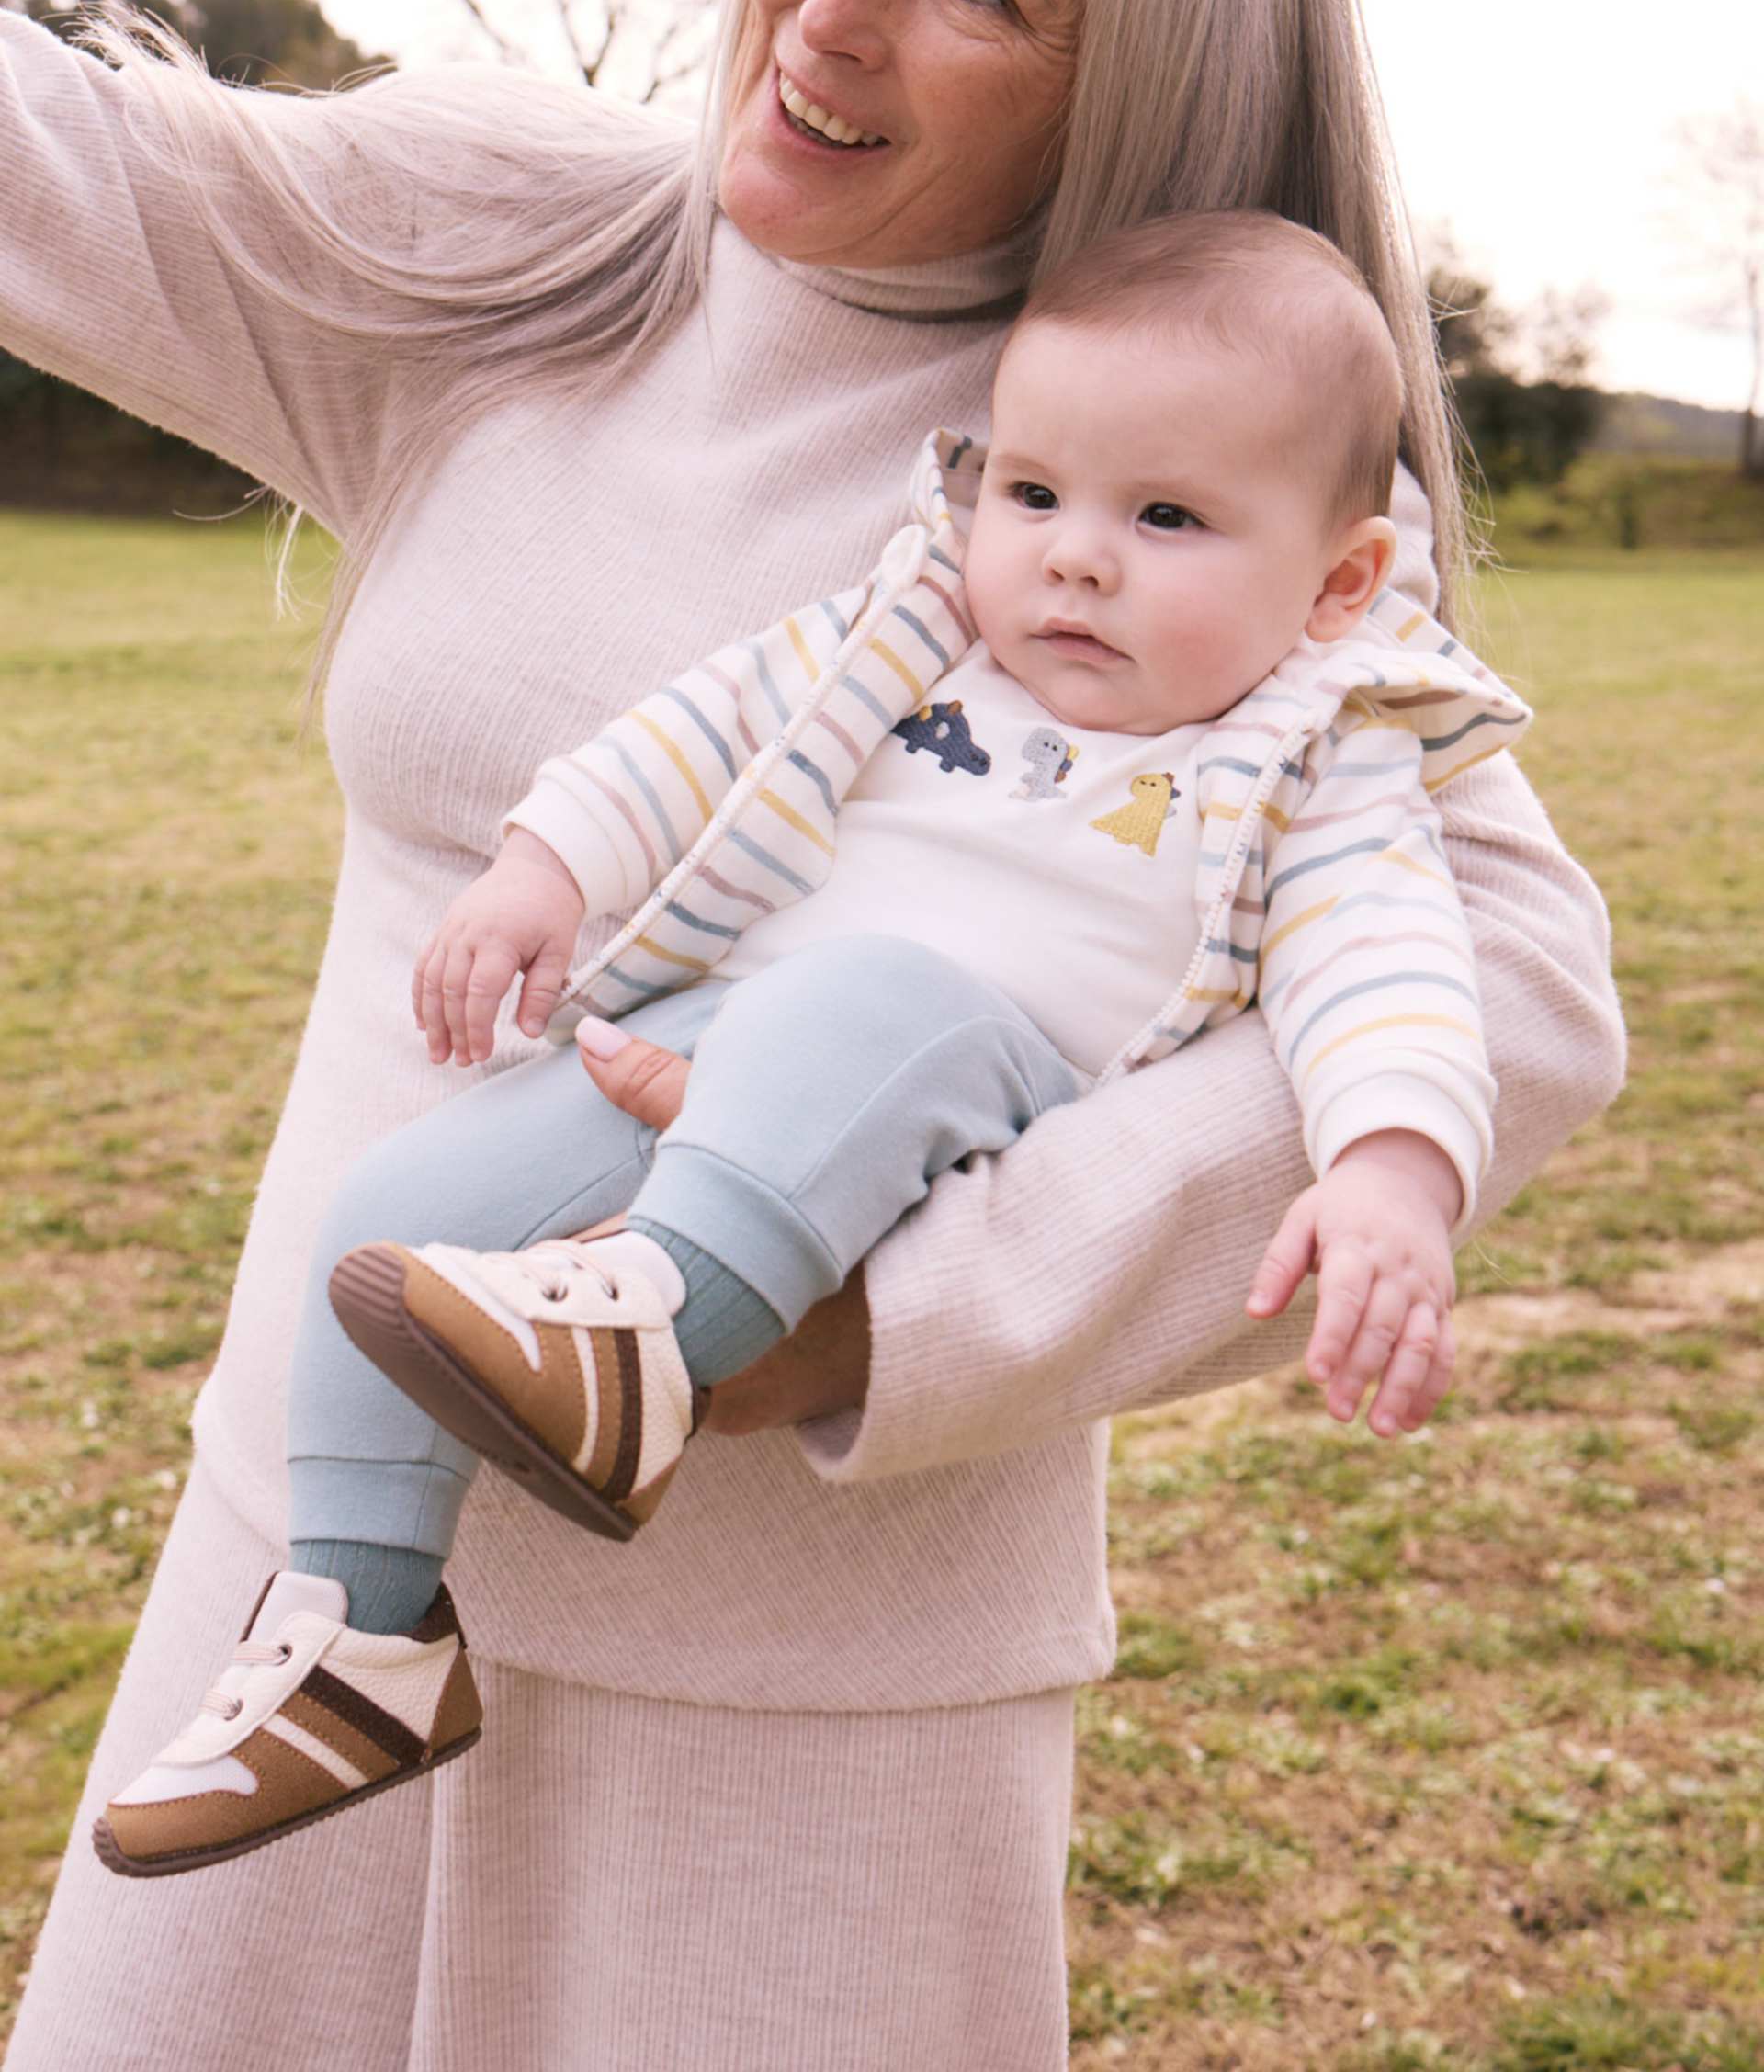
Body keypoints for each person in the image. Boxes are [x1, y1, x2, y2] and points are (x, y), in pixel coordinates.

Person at [2, 0, 1623, 2066]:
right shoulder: (518, 248)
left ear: (1140, 75)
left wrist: (907, 1309)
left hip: (798, 1715)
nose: (829, 8)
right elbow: (68, 170)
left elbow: (1506, 987)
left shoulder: (1159, 466)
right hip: (307, 1571)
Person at [91, 206, 1535, 1874]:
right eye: (1037, 492)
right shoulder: (907, 632)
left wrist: (1393, 1168)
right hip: (723, 1041)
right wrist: (544, 868)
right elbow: (702, 731)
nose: (1074, 556)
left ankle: (644, 1333)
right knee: (394, 1203)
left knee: (871, 997)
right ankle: (363, 1640)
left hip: (969, 1069)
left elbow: (1392, 962)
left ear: (1341, 579)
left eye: (1168, 517)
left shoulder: (1315, 747)